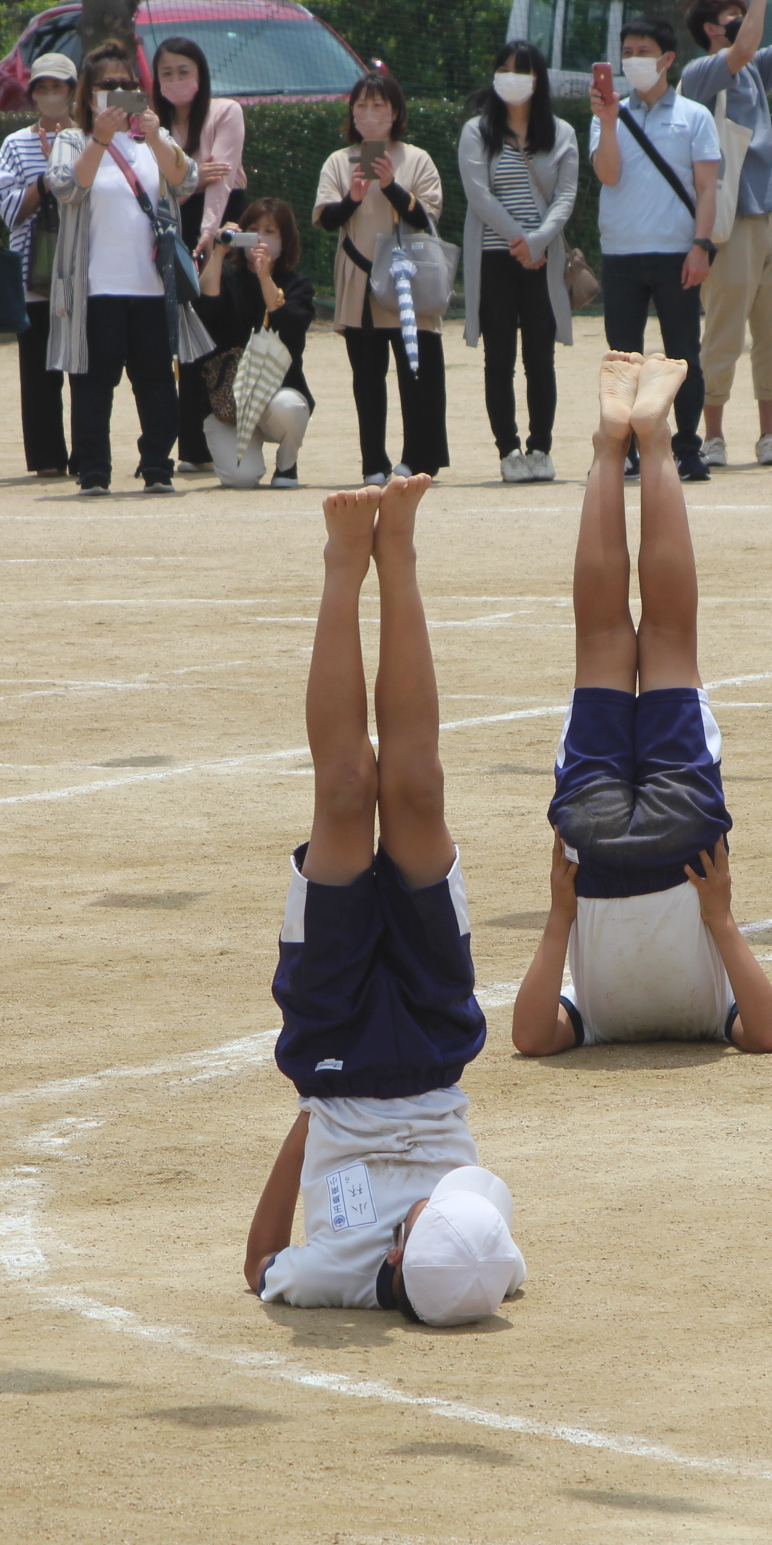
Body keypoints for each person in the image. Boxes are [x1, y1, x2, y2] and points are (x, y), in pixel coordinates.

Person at [241, 475, 526, 1325]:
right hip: (436, 1041)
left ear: (399, 1254)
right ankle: (396, 555)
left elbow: (258, 1264)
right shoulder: (484, 1263)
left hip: (333, 1051)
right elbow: (498, 1261)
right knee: (414, 789)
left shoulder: (335, 1274)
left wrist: (306, 1125)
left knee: (344, 788)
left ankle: (342, 566)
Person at [511, 352, 772, 1055]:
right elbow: (533, 1038)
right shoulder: (596, 1021)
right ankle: (616, 442)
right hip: (612, 861)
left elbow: (765, 1033)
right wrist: (716, 921)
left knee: (663, 636)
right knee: (607, 637)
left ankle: (649, 438)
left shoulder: (696, 1018)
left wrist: (558, 920)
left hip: (673, 853)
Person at [678, 0, 772, 469]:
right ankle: (713, 436)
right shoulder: (699, 74)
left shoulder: (755, 69)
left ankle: (768, 436)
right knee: (724, 331)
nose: (741, 23)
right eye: (731, 16)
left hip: (771, 212)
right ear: (712, 29)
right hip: (727, 221)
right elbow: (746, 46)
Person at [46, 44, 199, 496]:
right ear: (87, 94)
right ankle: (93, 471)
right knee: (93, 384)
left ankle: (157, 466)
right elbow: (67, 188)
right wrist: (99, 139)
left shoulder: (153, 138)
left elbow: (186, 180)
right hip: (96, 286)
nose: (118, 92)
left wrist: (154, 137)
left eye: (127, 85)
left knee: (156, 382)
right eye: (107, 85)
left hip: (153, 286)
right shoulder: (72, 139)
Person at [591, 19, 721, 477]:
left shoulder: (695, 116)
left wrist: (701, 246)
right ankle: (624, 451)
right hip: (621, 253)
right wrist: (608, 122)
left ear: (667, 59)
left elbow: (708, 189)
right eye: (627, 52)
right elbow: (608, 174)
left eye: (643, 51)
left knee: (683, 353)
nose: (633, 60)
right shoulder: (606, 114)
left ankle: (687, 449)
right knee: (623, 358)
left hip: (676, 253)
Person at [316, 66, 447, 484]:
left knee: (419, 374)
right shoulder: (339, 162)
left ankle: (420, 457)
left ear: (395, 112)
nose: (369, 113)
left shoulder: (417, 158)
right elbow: (325, 218)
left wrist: (391, 185)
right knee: (367, 378)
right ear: (352, 115)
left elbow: (425, 217)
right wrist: (353, 198)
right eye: (362, 105)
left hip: (410, 279)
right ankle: (373, 462)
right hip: (360, 279)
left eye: (379, 105)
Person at [458, 39, 579, 484]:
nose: (511, 76)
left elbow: (566, 195)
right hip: (494, 258)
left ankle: (541, 447)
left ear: (538, 79)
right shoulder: (477, 131)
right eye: (503, 67)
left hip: (543, 260)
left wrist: (540, 240)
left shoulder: (561, 133)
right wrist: (518, 239)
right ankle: (508, 449)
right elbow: (478, 193)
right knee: (499, 358)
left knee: (540, 358)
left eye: (521, 69)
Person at [154, 36, 245, 473]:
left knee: (220, 330)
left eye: (183, 71)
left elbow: (222, 180)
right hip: (171, 226)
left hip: (220, 226)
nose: (175, 80)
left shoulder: (226, 112)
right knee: (179, 339)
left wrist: (208, 236)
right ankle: (190, 446)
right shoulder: (151, 125)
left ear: (201, 73)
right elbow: (155, 186)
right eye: (166, 73)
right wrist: (192, 179)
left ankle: (228, 439)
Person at [0, 51, 78, 480]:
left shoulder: (89, 140)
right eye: (42, 88)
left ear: (72, 92)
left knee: (84, 368)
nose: (49, 96)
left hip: (83, 273)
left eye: (58, 88)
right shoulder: (15, 144)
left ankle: (87, 452)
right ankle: (46, 456)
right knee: (39, 372)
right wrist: (47, 176)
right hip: (34, 277)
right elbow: (9, 213)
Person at [194, 198, 313, 489]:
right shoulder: (225, 276)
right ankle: (246, 453)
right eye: (253, 229)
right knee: (241, 478)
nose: (260, 237)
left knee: (291, 406)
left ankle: (286, 465)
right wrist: (219, 253)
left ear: (285, 241)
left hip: (275, 395)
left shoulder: (297, 284)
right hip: (227, 403)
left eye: (271, 231)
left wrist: (264, 278)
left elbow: (291, 327)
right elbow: (204, 310)